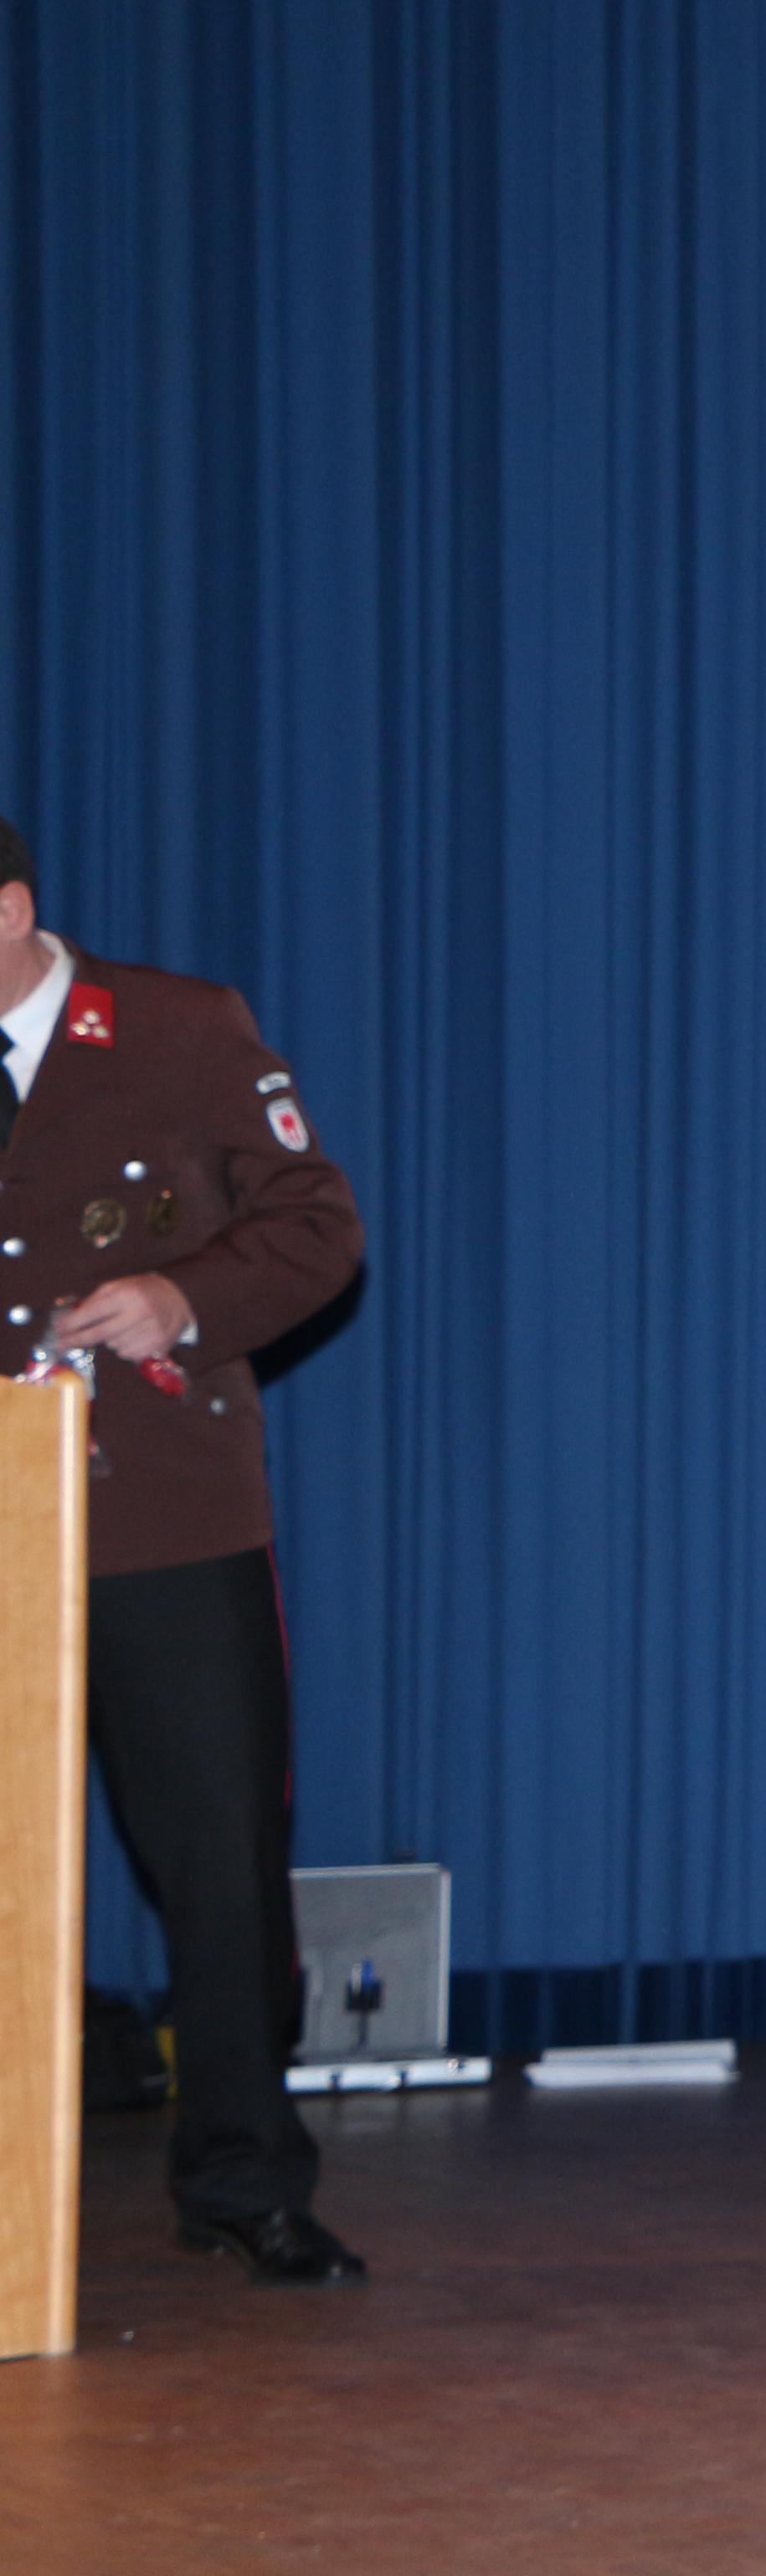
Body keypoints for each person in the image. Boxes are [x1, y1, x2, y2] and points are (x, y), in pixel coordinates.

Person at [0, 817, 367, 2287]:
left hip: (162, 1513)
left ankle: (241, 2178)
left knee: (219, 1859)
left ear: (9, 911)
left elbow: (316, 1227)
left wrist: (181, 1297)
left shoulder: (176, 1028)